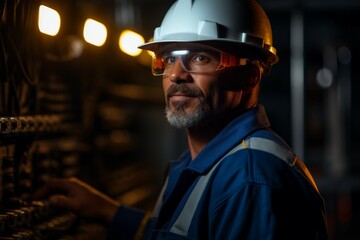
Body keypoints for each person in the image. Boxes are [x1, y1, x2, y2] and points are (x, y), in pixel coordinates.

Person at [34, 0, 328, 239]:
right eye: (169, 57)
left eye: (200, 58)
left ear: (249, 76)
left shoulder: (249, 180)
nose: (176, 75)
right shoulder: (207, 163)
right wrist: (108, 212)